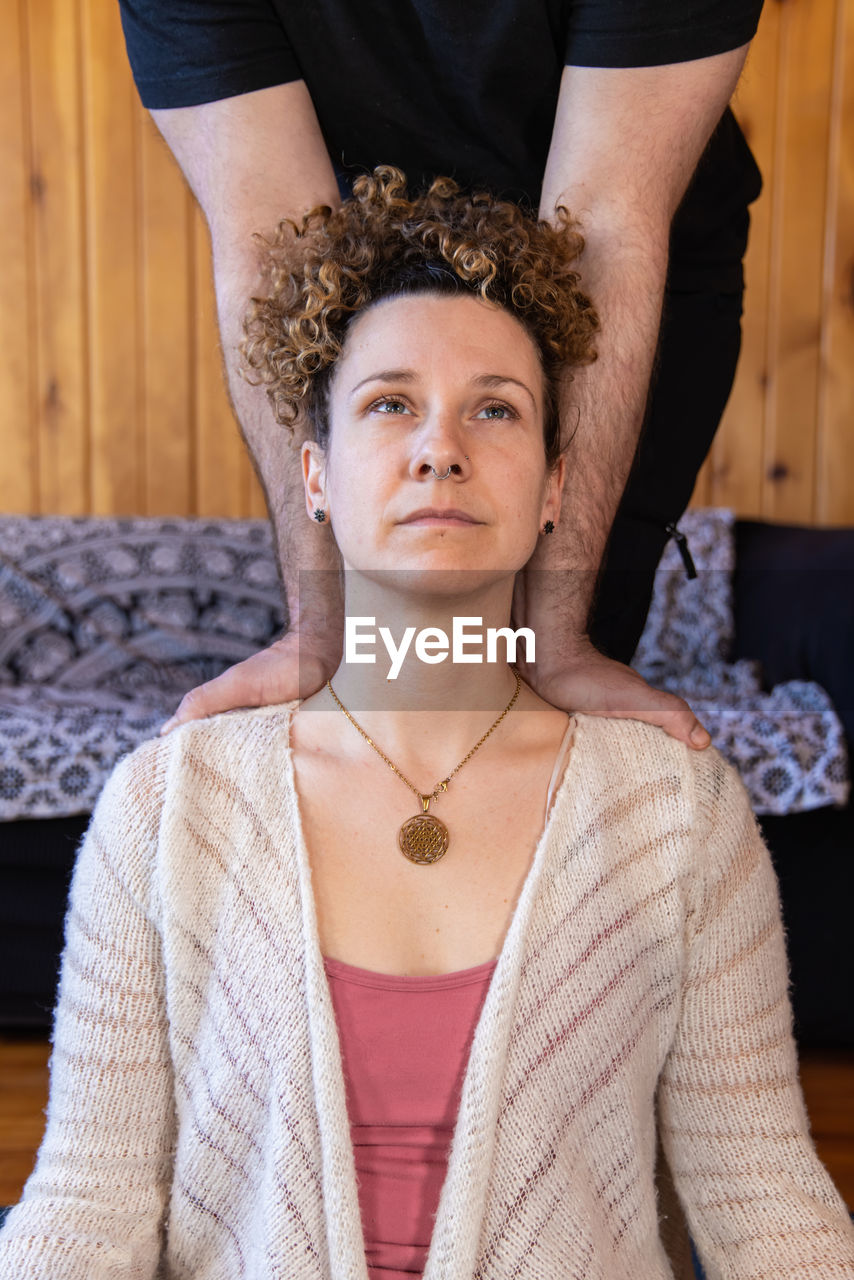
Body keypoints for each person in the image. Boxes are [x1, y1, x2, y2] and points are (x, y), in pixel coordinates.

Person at [3, 171, 851, 1280]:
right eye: (388, 402)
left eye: (492, 406)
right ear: (314, 475)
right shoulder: (167, 804)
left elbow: (762, 1199)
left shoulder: (675, 808)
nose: (437, 447)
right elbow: (84, 1207)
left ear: (554, 484)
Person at [118, 0, 764, 748]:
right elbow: (277, 248)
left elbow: (605, 232)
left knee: (535, 682)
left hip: (619, 283)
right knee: (361, 671)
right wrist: (319, 630)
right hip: (361, 291)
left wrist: (556, 642)